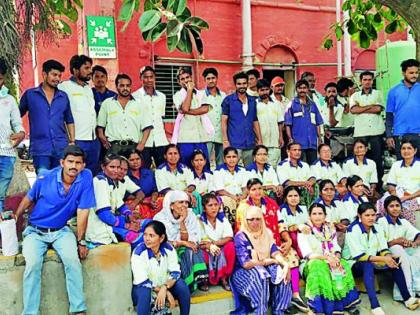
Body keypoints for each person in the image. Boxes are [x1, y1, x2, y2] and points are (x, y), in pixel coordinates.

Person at [14, 145, 95, 315]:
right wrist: (16, 216)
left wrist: (81, 241)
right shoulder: (45, 177)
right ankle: (30, 313)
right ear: (62, 162)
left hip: (60, 231)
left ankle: (78, 309)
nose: (74, 166)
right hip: (35, 232)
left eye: (78, 163)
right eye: (70, 162)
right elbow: (29, 198)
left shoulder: (85, 177)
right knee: (33, 266)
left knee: (73, 262)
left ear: (83, 165)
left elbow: (83, 211)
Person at [237, 179, 303, 310]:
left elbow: (281, 224)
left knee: (292, 258)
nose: (257, 192)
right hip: (253, 246)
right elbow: (243, 231)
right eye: (254, 189)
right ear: (248, 191)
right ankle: (273, 303)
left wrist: (288, 241)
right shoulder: (244, 207)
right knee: (268, 271)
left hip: (273, 243)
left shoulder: (271, 203)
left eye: (260, 188)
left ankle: (292, 297)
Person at [343, 203, 419, 314]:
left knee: (394, 261)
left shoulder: (377, 227)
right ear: (359, 215)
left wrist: (388, 257)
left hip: (372, 259)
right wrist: (384, 259)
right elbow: (359, 256)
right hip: (353, 264)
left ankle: (407, 298)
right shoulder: (352, 230)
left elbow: (383, 249)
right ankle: (375, 305)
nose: (371, 218)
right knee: (367, 264)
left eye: (373, 215)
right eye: (367, 215)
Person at [298, 203, 360, 315]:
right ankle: (319, 307)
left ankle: (346, 304)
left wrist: (336, 257)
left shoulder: (330, 229)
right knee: (319, 266)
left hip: (330, 258)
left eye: (320, 213)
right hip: (311, 262)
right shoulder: (304, 231)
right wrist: (328, 259)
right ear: (309, 216)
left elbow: (335, 246)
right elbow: (308, 254)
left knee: (343, 264)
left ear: (325, 215)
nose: (317, 216)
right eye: (314, 214)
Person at [231, 205, 292, 315]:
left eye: (258, 219)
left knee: (281, 272)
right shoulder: (241, 236)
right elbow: (246, 264)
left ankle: (279, 310)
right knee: (261, 275)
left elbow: (274, 252)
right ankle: (260, 311)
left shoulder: (266, 232)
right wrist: (267, 261)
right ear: (245, 220)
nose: (255, 222)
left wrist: (285, 264)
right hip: (244, 272)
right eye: (251, 219)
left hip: (264, 267)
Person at [19, 59, 75, 174]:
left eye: (59, 76)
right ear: (44, 74)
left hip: (61, 147)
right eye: (54, 75)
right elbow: (16, 115)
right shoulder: (30, 95)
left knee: (59, 180)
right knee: (43, 180)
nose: (57, 79)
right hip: (40, 148)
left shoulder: (63, 97)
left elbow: (69, 119)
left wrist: (72, 142)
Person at [86, 154, 149, 248]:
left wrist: (130, 216)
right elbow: (104, 215)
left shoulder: (111, 181)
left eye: (118, 167)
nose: (116, 171)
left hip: (112, 222)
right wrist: (127, 225)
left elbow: (121, 206)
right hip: (102, 227)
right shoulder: (100, 182)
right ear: (103, 167)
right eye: (112, 167)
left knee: (149, 224)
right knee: (141, 238)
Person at [154, 191, 209, 292]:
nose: (184, 205)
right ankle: (188, 283)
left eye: (186, 203)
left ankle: (198, 280)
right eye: (180, 202)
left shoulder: (190, 215)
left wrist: (182, 221)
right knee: (185, 249)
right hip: (167, 249)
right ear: (171, 206)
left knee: (192, 249)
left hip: (183, 247)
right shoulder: (160, 218)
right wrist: (182, 243)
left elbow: (193, 237)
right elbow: (162, 241)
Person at [131, 220, 190, 315]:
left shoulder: (169, 249)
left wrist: (165, 288)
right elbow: (143, 281)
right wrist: (166, 292)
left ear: (161, 238)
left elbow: (175, 273)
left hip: (164, 285)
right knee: (144, 292)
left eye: (151, 235)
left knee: (182, 285)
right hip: (145, 289)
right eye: (145, 235)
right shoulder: (138, 253)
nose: (147, 239)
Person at [58, 55, 99, 174]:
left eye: (90, 68)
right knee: (75, 174)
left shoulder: (88, 89)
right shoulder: (64, 87)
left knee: (91, 174)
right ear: (75, 70)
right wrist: (70, 139)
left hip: (93, 140)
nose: (90, 71)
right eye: (86, 68)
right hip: (77, 140)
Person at [97, 73, 153, 155]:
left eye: (128, 85)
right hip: (114, 147)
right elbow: (100, 125)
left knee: (134, 168)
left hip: (134, 147)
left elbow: (147, 127)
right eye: (122, 86)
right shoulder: (107, 103)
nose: (125, 88)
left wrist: (142, 144)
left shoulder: (140, 104)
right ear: (117, 87)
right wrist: (102, 138)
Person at [377, 195, 420, 301]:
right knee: (397, 249)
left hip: (402, 250)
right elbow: (379, 244)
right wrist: (396, 242)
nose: (395, 208)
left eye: (397, 205)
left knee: (417, 251)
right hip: (385, 252)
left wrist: (415, 242)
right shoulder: (381, 222)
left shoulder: (403, 222)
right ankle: (406, 294)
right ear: (386, 208)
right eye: (391, 206)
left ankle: (417, 288)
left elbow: (417, 234)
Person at [350, 71, 385, 188]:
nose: (367, 82)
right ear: (361, 81)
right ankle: (359, 186)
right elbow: (353, 110)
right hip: (361, 132)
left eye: (369, 80)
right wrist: (371, 105)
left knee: (377, 160)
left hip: (376, 131)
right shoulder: (355, 96)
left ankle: (377, 187)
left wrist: (361, 108)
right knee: (360, 159)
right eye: (365, 80)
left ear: (372, 81)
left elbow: (378, 109)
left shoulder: (378, 93)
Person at [221, 71, 262, 167]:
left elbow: (255, 121)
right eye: (239, 84)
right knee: (233, 169)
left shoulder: (253, 101)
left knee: (250, 170)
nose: (242, 86)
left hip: (250, 142)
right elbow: (224, 121)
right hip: (234, 143)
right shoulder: (228, 100)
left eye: (244, 83)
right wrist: (225, 141)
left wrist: (259, 139)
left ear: (247, 84)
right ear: (235, 85)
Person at [0, 59, 25, 212]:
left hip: (6, 153)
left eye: (0, 78)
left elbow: (17, 124)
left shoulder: (9, 100)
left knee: (0, 195)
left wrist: (21, 133)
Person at [172, 67, 211, 167]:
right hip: (185, 139)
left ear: (191, 77)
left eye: (187, 77)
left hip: (201, 137)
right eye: (182, 79)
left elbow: (205, 109)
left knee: (203, 166)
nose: (186, 80)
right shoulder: (177, 95)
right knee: (186, 167)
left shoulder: (201, 93)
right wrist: (189, 91)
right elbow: (184, 108)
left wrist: (188, 111)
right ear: (179, 82)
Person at [132, 66, 169, 168]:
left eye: (151, 77)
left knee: (162, 169)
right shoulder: (135, 97)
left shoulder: (162, 96)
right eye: (145, 77)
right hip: (143, 142)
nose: (149, 80)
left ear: (154, 78)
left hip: (160, 140)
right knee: (144, 170)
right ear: (141, 78)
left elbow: (161, 117)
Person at [198, 193, 235, 290]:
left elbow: (229, 237)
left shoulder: (222, 219)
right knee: (200, 253)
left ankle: (224, 278)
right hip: (205, 248)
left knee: (231, 246)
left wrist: (214, 244)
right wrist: (210, 247)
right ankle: (204, 279)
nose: (214, 208)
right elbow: (200, 242)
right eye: (210, 205)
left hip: (219, 246)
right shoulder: (199, 221)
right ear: (204, 208)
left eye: (216, 205)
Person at [378, 140, 420, 226]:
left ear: (415, 151)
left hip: (415, 196)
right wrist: (395, 195)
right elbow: (391, 185)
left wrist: (408, 197)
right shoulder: (396, 165)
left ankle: (411, 234)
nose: (406, 151)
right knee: (382, 203)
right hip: (398, 195)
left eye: (409, 148)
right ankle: (385, 229)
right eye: (403, 148)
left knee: (402, 207)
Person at [386, 59, 420, 158]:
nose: (414, 75)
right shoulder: (394, 91)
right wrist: (389, 135)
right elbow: (389, 115)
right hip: (400, 134)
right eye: (411, 73)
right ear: (403, 73)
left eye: (417, 72)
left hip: (418, 134)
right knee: (402, 166)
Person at [284, 79, 324, 165]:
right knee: (300, 166)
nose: (302, 90)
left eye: (304, 88)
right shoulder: (292, 104)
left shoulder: (313, 105)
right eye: (300, 88)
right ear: (296, 89)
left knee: (313, 166)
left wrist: (319, 137)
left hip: (312, 142)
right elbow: (287, 124)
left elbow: (317, 123)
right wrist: (290, 139)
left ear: (307, 89)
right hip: (298, 143)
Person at [213, 147, 248, 226]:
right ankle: (230, 227)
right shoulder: (218, 171)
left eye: (234, 157)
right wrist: (233, 197)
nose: (231, 159)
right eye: (228, 157)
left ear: (238, 158)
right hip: (226, 197)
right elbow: (220, 191)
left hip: (240, 197)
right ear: (224, 159)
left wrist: (242, 196)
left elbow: (245, 188)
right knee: (227, 201)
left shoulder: (242, 170)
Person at [124, 150, 162, 219]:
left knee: (161, 200)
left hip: (150, 200)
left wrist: (153, 199)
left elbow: (155, 189)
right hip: (135, 202)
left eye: (137, 159)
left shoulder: (149, 172)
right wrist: (144, 201)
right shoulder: (124, 175)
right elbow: (125, 194)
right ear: (126, 162)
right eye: (132, 160)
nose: (135, 162)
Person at [277, 142, 316, 207]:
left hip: (305, 190)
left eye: (299, 150)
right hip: (291, 190)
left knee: (316, 186)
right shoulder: (282, 165)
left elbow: (313, 178)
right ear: (288, 151)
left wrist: (310, 184)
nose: (297, 152)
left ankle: (313, 208)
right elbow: (287, 183)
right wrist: (304, 183)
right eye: (294, 150)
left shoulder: (305, 165)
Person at [201, 67, 226, 166]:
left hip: (220, 134)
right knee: (205, 160)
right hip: (206, 134)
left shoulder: (223, 96)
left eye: (213, 78)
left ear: (217, 78)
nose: (211, 80)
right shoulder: (201, 95)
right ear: (205, 80)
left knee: (221, 161)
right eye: (208, 78)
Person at [256, 79, 284, 166]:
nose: (265, 92)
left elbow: (280, 122)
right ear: (258, 91)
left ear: (269, 89)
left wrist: (281, 137)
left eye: (266, 89)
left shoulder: (276, 104)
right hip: (261, 143)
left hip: (275, 143)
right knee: (261, 166)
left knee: (274, 168)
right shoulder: (254, 104)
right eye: (262, 90)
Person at [190, 149, 214, 215]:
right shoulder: (188, 174)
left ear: (205, 161)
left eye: (201, 160)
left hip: (207, 198)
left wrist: (206, 194)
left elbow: (212, 188)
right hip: (194, 199)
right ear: (192, 162)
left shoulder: (209, 175)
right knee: (196, 195)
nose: (199, 162)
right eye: (196, 160)